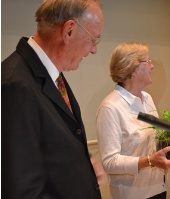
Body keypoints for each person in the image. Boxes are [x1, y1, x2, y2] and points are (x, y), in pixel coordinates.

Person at [2, 0, 104, 198]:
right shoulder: (13, 85)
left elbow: (48, 144)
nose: (94, 50)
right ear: (69, 31)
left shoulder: (52, 75)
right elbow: (22, 189)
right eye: (94, 39)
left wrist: (81, 161)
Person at [96, 42, 170, 199]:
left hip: (159, 187)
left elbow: (154, 139)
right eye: (148, 61)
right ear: (132, 68)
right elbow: (110, 162)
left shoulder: (147, 98)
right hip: (132, 194)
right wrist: (150, 161)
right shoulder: (110, 107)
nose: (152, 67)